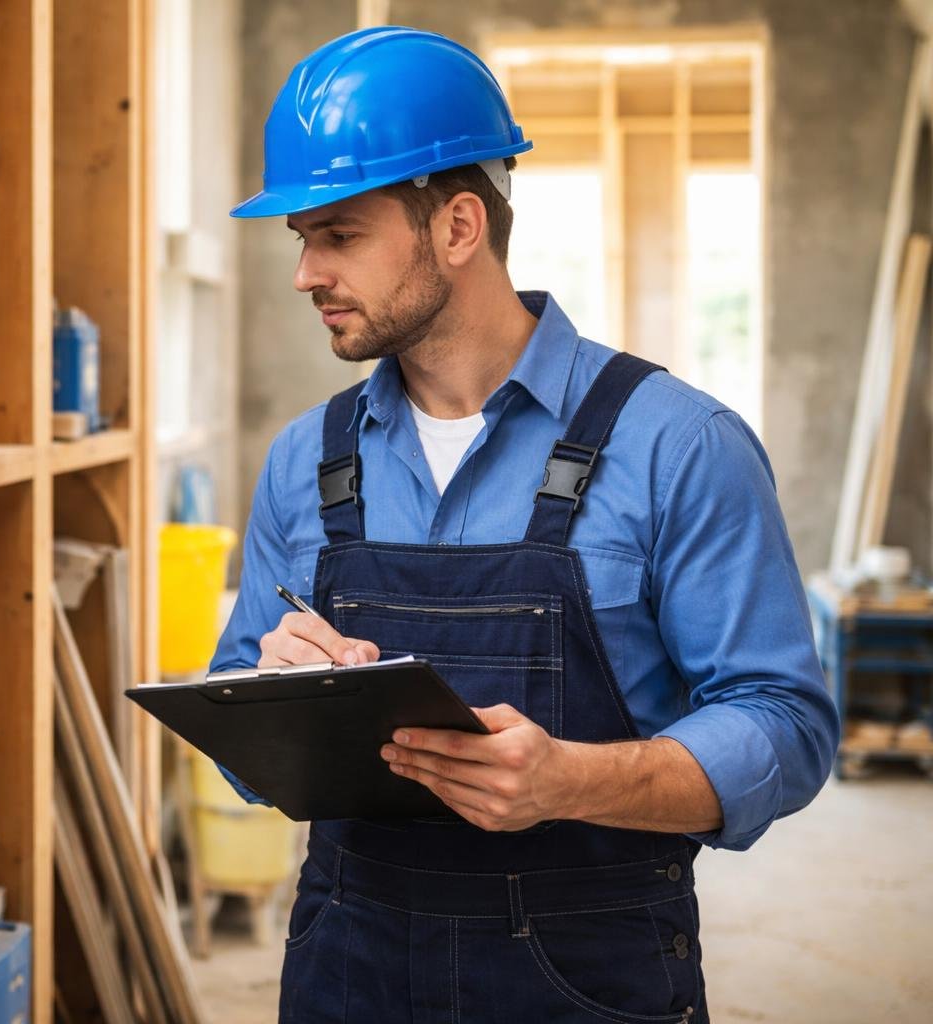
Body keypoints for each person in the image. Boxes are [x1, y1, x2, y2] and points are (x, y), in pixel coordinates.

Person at [211, 26, 838, 1023]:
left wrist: (570, 779)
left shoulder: (680, 444)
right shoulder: (306, 459)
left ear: (459, 227)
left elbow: (788, 727)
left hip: (586, 969)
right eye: (302, 240)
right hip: (345, 959)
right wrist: (269, 695)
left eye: (339, 235)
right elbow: (240, 729)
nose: (306, 274)